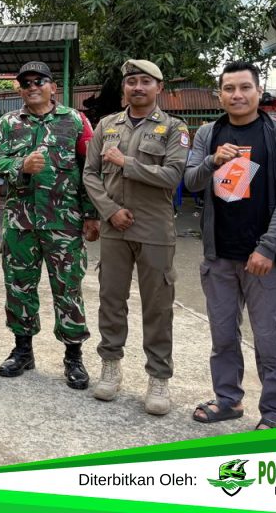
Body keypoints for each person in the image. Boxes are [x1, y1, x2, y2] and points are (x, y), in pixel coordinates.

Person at [183, 62, 276, 429]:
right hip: (218, 254)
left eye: (245, 87)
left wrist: (268, 247)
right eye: (229, 88)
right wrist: (212, 160)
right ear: (219, 94)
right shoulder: (209, 133)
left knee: (269, 339)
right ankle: (228, 399)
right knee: (223, 335)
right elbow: (190, 182)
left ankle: (273, 412)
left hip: (263, 259)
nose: (237, 95)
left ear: (258, 91)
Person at [83, 59, 188, 415]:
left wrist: (127, 163)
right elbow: (90, 173)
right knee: (111, 299)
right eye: (131, 82)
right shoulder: (106, 125)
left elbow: (172, 175)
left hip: (155, 228)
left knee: (157, 306)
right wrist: (109, 211)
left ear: (159, 87)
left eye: (145, 81)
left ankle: (158, 377)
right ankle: (110, 366)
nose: (138, 87)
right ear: (124, 88)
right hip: (115, 227)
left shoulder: (173, 128)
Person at [0, 61, 99, 389]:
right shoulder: (9, 122)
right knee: (19, 286)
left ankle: (73, 356)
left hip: (64, 223)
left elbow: (89, 169)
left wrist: (92, 214)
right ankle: (23, 351)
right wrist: (20, 165)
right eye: (26, 83)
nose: (32, 87)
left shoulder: (75, 121)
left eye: (39, 81)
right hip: (20, 222)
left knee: (68, 288)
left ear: (53, 87)